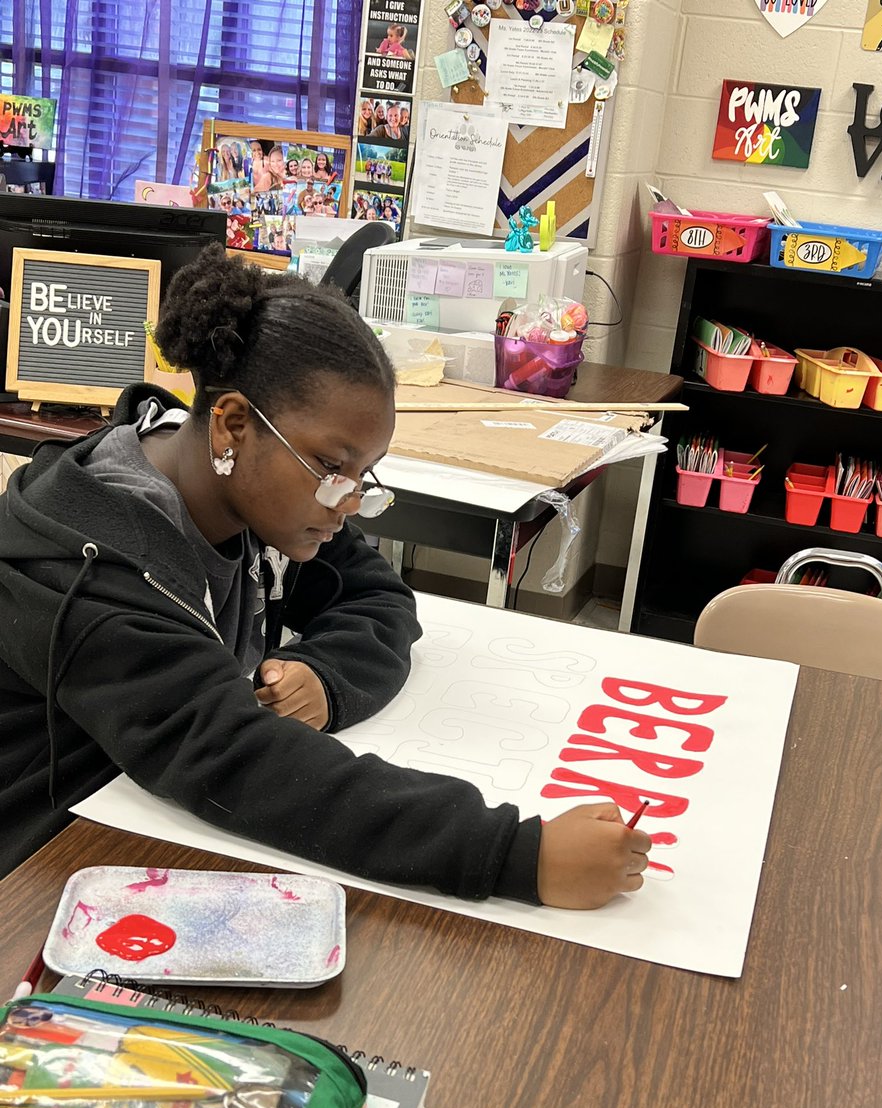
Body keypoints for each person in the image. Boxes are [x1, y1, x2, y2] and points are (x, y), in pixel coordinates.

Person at [0, 244, 650, 905]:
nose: (347, 501)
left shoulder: (248, 494)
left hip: (135, 815)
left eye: (362, 476)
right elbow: (237, 761)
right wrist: (515, 854)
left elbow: (380, 596)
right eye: (332, 468)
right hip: (40, 866)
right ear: (232, 426)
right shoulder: (92, 573)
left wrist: (325, 677)